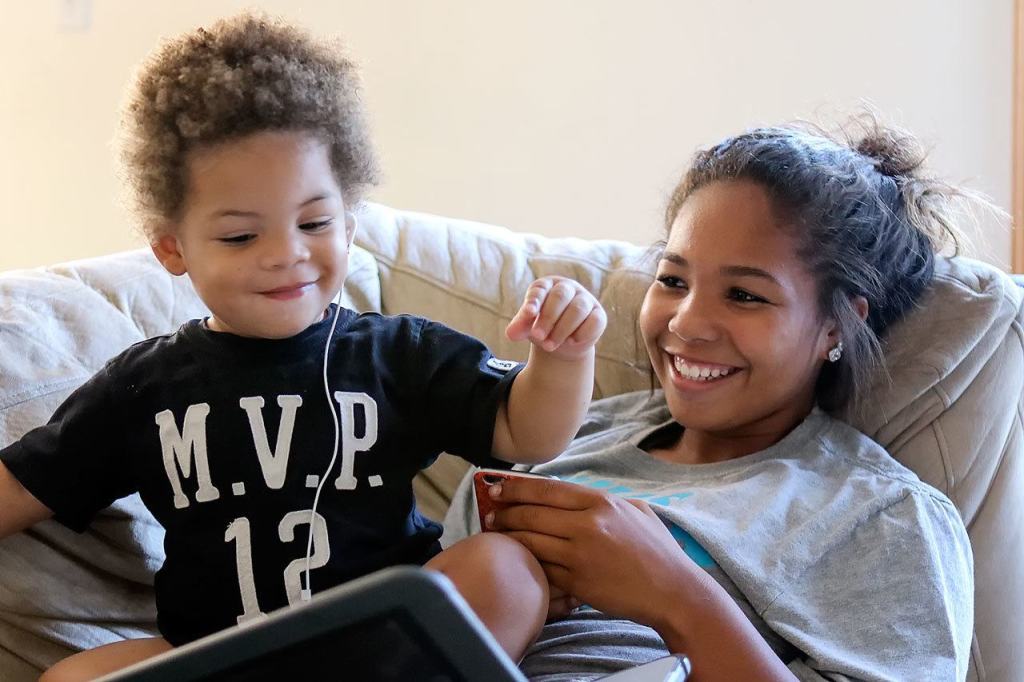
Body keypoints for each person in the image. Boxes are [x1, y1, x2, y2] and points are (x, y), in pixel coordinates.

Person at [0, 13, 608, 681]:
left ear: (349, 221)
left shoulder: (396, 353)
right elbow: (27, 482)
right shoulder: (142, 387)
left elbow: (528, 432)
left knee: (505, 570)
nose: (286, 253)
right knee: (70, 678)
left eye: (314, 222)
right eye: (240, 236)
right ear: (173, 247)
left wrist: (563, 355)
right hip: (225, 659)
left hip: (387, 644)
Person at [444, 118, 976, 681]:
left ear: (835, 327)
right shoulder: (549, 437)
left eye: (744, 295)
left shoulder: (881, 514)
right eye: (673, 281)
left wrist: (674, 594)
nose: (687, 323)